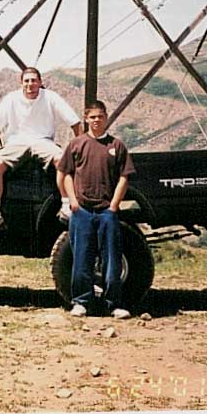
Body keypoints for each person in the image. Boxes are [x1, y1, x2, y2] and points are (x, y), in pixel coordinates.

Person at [57, 100, 135, 319]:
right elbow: (65, 174)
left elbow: (124, 177)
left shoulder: (116, 145)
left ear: (106, 117)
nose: (96, 120)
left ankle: (114, 304)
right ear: (86, 118)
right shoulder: (76, 144)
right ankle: (81, 302)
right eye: (92, 117)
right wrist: (72, 201)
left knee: (112, 258)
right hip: (82, 211)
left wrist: (114, 206)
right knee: (81, 258)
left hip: (106, 212)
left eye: (100, 116)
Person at [0, 67, 81, 237]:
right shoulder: (11, 99)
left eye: (34, 80)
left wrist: (81, 149)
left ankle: (66, 207)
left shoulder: (50, 97)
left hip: (43, 140)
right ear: (21, 83)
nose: (30, 84)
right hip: (16, 142)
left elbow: (75, 122)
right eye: (26, 81)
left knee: (61, 160)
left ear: (40, 82)